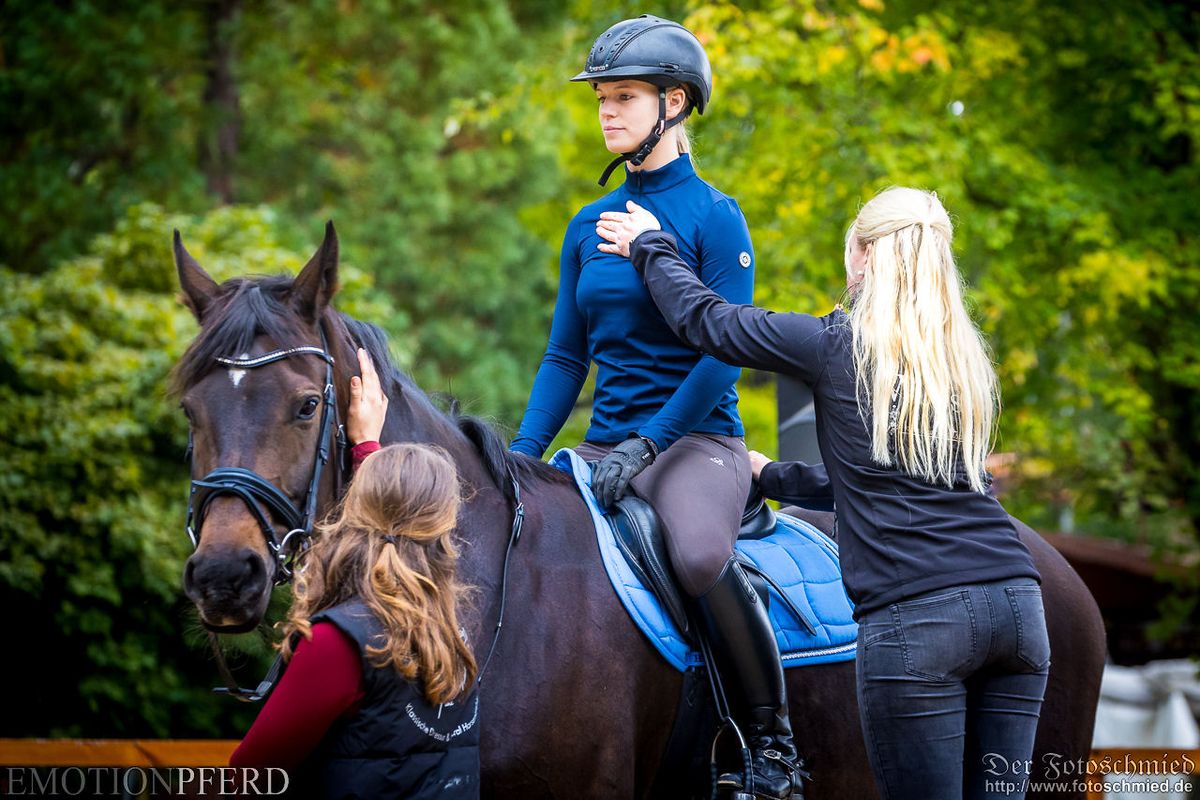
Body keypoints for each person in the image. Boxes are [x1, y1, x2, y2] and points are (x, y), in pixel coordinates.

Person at [597, 187, 1052, 800]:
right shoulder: (960, 363)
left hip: (918, 620)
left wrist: (649, 245)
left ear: (860, 255)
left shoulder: (836, 344)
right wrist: (773, 476)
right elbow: (889, 485)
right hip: (1019, 611)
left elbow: (710, 322)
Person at [509, 14, 805, 799]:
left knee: (703, 556)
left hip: (695, 445)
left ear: (674, 103)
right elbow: (565, 357)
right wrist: (521, 455)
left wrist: (650, 443)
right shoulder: (586, 226)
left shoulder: (715, 216)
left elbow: (724, 353)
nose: (607, 111)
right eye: (602, 97)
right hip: (605, 448)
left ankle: (772, 748)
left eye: (626, 97)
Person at [230, 349, 480, 799]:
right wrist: (368, 450)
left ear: (356, 510)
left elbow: (249, 775)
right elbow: (394, 528)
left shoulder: (338, 644)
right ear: (444, 529)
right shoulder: (456, 637)